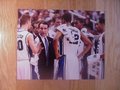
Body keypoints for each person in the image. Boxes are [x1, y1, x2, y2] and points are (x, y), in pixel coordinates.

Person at [54, 13, 92, 80]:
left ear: (63, 20)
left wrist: (57, 54)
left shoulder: (62, 27)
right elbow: (90, 44)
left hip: (65, 58)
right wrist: (80, 55)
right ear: (71, 20)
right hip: (75, 59)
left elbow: (55, 39)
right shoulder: (77, 30)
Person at [17, 14, 41, 80]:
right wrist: (38, 46)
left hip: (15, 62)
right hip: (25, 62)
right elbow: (35, 51)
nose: (30, 24)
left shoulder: (15, 33)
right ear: (27, 22)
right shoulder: (28, 34)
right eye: (30, 21)